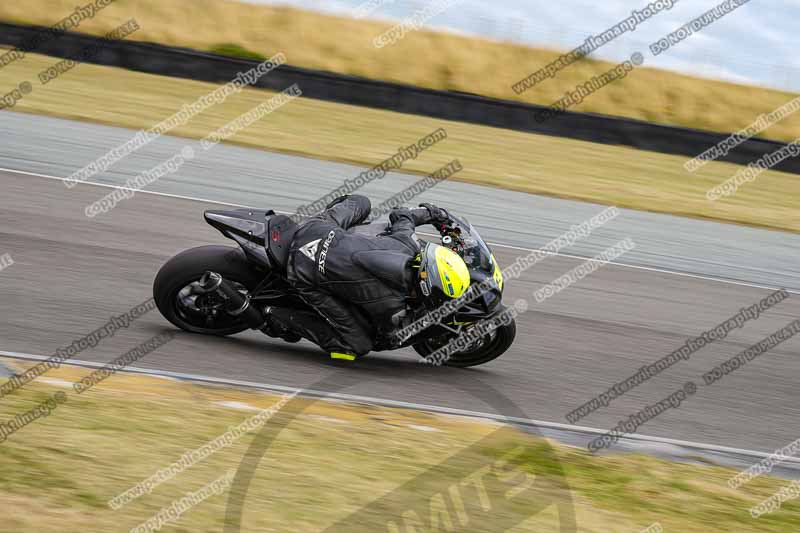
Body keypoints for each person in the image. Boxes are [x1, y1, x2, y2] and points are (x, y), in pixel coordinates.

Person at [261, 194, 471, 360]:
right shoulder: (392, 304)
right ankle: (276, 316)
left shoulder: (406, 242)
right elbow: (392, 337)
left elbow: (402, 215)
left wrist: (438, 215)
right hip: (303, 271)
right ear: (427, 288)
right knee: (357, 345)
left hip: (316, 230)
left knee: (362, 202)